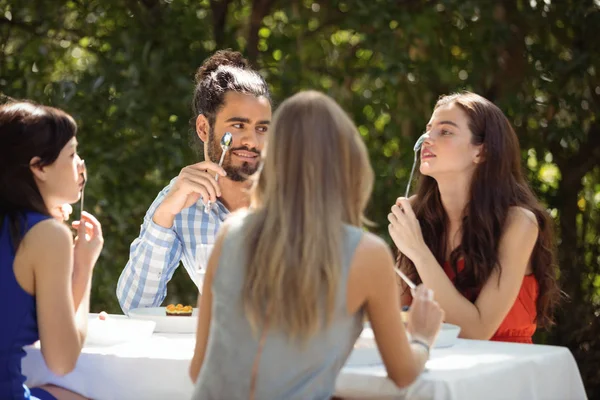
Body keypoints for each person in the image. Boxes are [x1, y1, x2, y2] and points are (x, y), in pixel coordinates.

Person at [189, 91, 444, 399]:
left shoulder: (230, 233)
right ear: (349, 163)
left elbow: (198, 369)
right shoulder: (368, 253)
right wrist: (422, 338)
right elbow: (403, 374)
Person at [388, 91, 560, 343]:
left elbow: (476, 331)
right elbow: (396, 314)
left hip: (502, 371)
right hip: (435, 366)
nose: (427, 138)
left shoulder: (518, 222)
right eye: (428, 129)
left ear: (481, 152)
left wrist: (418, 250)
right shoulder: (416, 212)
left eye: (445, 131)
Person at [116, 50, 272, 313]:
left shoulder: (296, 195)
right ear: (203, 128)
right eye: (238, 126)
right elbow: (135, 306)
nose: (251, 141)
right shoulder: (179, 200)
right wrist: (165, 215)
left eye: (262, 128)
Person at [0, 101, 103, 400]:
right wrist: (83, 266)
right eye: (72, 154)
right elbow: (62, 361)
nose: (81, 165)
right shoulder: (45, 234)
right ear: (38, 167)